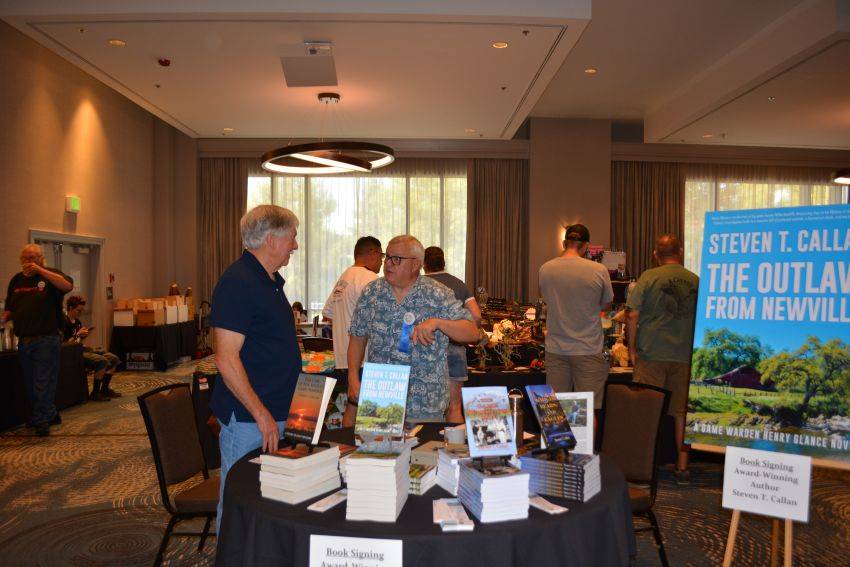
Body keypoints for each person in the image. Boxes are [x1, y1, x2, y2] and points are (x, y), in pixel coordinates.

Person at [210, 205, 302, 531]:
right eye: (292, 237)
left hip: (269, 413)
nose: (295, 244)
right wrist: (261, 413)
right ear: (272, 239)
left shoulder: (269, 280)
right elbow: (225, 358)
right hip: (250, 419)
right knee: (239, 501)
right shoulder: (239, 282)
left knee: (263, 502)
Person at [347, 235, 479, 423]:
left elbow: (472, 331)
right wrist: (352, 377)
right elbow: (357, 337)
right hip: (380, 399)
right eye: (387, 257)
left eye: (396, 259)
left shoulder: (437, 293)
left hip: (425, 403)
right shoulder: (372, 292)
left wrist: (438, 322)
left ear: (416, 264)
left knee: (422, 453)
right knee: (375, 451)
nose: (388, 264)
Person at [626, 234, 699, 484]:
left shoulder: (648, 277)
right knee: (682, 414)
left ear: (655, 254)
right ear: (680, 251)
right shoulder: (695, 281)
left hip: (652, 354)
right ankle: (682, 468)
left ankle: (644, 467)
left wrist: (631, 348)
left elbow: (632, 315)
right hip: (685, 356)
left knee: (647, 410)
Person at [538, 224, 613, 413]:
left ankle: (559, 444)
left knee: (555, 412)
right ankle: (584, 444)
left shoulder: (545, 269)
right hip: (587, 349)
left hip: (556, 349)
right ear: (586, 246)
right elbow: (606, 305)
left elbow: (546, 302)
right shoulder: (599, 270)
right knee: (585, 413)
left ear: (564, 243)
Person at [3, 244, 73, 436]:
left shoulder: (50, 275)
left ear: (41, 258)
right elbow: (10, 308)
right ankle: (50, 413)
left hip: (46, 338)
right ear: (21, 260)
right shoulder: (16, 281)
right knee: (30, 381)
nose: (30, 262)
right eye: (26, 258)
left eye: (34, 258)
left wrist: (41, 270)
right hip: (24, 339)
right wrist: (3, 318)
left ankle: (40, 420)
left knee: (42, 381)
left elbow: (68, 286)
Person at [322, 236, 383, 427]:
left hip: (344, 358)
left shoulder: (344, 278)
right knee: (372, 417)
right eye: (381, 256)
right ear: (372, 253)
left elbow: (328, 314)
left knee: (353, 406)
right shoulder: (370, 279)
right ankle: (369, 454)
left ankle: (348, 448)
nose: (382, 261)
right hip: (365, 357)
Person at [422, 246, 481, 423]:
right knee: (455, 407)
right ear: (443, 262)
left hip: (427, 349)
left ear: (424, 264)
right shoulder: (458, 284)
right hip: (454, 348)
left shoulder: (420, 285)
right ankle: (455, 449)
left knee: (428, 407)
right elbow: (476, 316)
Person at [62, 295, 121, 401]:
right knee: (102, 361)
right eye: (78, 310)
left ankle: (104, 389)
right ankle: (95, 392)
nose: (80, 313)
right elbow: (65, 345)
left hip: (80, 348)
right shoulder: (63, 323)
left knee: (114, 359)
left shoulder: (78, 322)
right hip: (71, 352)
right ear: (70, 308)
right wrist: (77, 335)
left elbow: (79, 341)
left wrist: (83, 336)